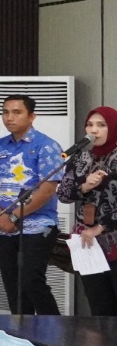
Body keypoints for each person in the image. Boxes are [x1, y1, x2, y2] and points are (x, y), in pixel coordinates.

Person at [0, 94, 64, 315]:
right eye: (5, 112)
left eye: (17, 112)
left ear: (32, 116)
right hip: (3, 226)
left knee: (32, 280)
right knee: (13, 286)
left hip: (38, 226)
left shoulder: (46, 146)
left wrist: (15, 215)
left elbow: (48, 189)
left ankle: (53, 330)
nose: (9, 117)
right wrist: (0, 214)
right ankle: (22, 331)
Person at [57, 106, 117, 315]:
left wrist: (100, 228)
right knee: (99, 306)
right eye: (90, 125)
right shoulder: (80, 158)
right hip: (87, 243)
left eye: (101, 125)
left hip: (111, 238)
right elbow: (63, 195)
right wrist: (84, 186)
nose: (94, 130)